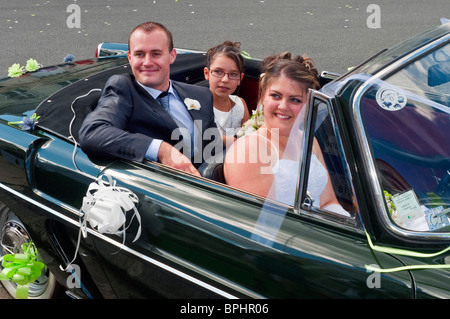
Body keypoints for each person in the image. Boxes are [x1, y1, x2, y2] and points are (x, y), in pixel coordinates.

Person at [79, 22, 223, 176]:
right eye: (139, 54)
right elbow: (92, 133)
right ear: (129, 57)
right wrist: (161, 149)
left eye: (156, 53)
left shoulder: (201, 94)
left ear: (172, 56)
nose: (147, 62)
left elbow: (214, 150)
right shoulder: (123, 89)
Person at [224, 52, 349, 216]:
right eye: (276, 96)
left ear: (307, 105)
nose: (283, 106)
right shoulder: (248, 149)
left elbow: (327, 202)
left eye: (295, 100)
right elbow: (261, 221)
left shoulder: (309, 140)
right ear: (262, 97)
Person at [204, 41, 249, 146]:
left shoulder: (240, 104)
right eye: (218, 72)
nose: (225, 80)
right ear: (207, 73)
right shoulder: (196, 105)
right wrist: (234, 142)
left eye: (233, 74)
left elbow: (248, 138)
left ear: (240, 79)